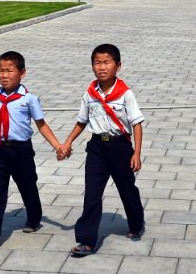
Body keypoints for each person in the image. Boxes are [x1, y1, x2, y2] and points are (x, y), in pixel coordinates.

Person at [59, 44, 145, 256]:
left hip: (120, 148)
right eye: (97, 63)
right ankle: (87, 241)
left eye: (107, 62)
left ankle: (136, 223)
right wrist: (68, 142)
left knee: (127, 188)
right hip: (97, 147)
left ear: (118, 66)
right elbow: (81, 121)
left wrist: (136, 153)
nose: (102, 67)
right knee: (92, 193)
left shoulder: (126, 94)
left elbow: (136, 123)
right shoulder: (89, 94)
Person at [0, 51, 64, 249]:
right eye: (0, 71)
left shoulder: (29, 99)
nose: (4, 75)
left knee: (27, 185)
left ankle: (33, 218)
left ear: (22, 73)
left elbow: (41, 124)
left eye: (9, 71)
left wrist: (58, 146)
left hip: (21, 150)